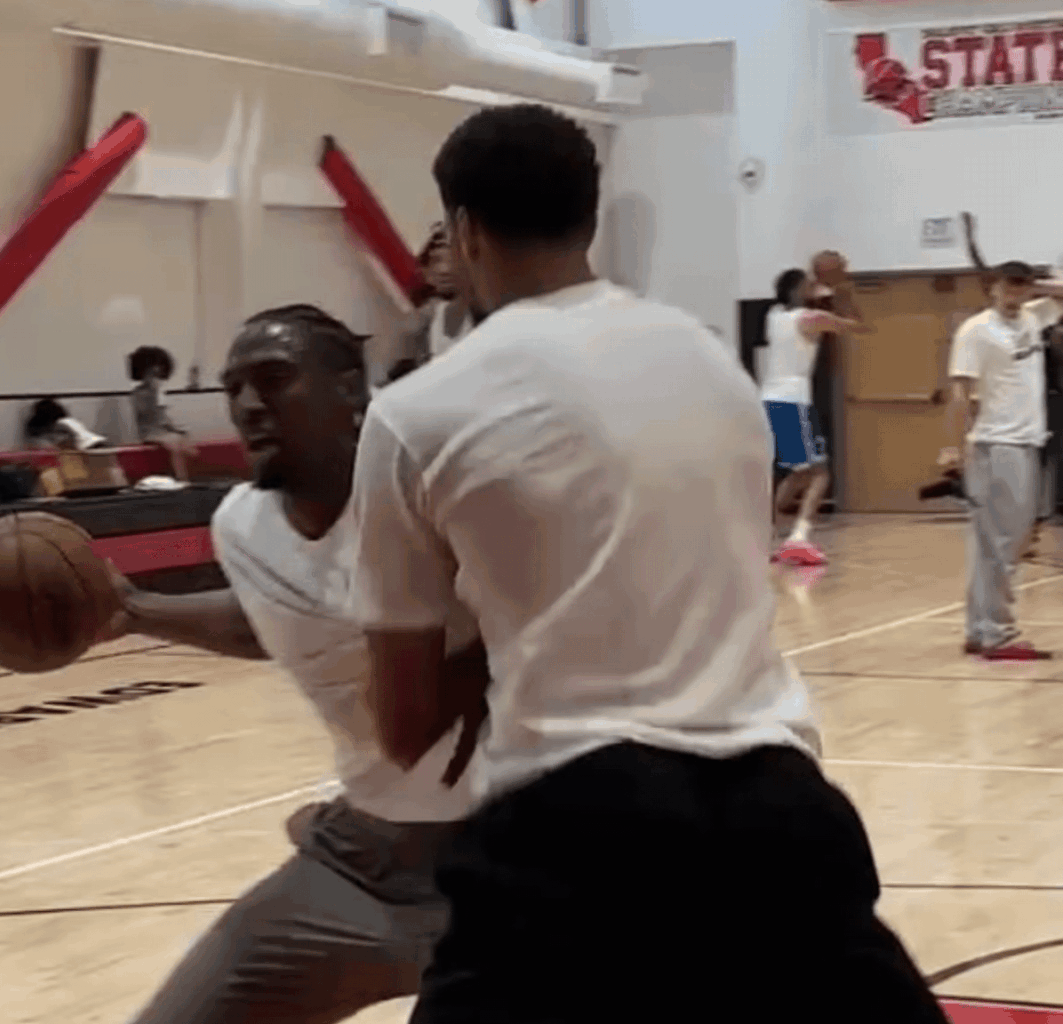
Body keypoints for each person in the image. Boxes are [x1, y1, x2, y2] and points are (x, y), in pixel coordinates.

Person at [349, 104, 947, 1024]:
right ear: (590, 221)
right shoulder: (713, 369)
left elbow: (404, 726)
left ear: (463, 231)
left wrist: (513, 634)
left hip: (573, 831)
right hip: (780, 806)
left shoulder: (414, 414)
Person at [108, 303, 480, 1024]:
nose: (249, 404)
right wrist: (131, 611)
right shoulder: (241, 526)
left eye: (274, 379)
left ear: (350, 390)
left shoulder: (445, 498)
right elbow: (272, 620)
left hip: (507, 866)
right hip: (359, 865)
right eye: (234, 388)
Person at [948, 260, 1063, 660]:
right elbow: (960, 392)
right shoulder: (975, 330)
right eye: (1008, 287)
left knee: (990, 545)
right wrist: (954, 446)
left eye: (1021, 287)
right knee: (1007, 543)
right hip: (997, 444)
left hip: (1025, 441)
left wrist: (1038, 285)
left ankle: (980, 630)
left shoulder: (1034, 317)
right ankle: (998, 632)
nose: (1015, 295)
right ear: (992, 287)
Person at [762, 266, 867, 566]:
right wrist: (842, 292)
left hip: (769, 398)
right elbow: (858, 326)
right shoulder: (810, 319)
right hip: (794, 401)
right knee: (821, 473)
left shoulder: (773, 316)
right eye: (808, 285)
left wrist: (822, 290)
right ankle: (798, 539)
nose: (813, 287)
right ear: (797, 290)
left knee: (798, 472)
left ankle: (768, 530)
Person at [390, 223, 472, 383]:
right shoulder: (422, 319)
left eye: (452, 260)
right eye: (436, 260)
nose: (443, 270)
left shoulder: (490, 311)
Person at [129, 344, 195, 482]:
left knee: (186, 442)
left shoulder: (159, 392)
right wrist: (152, 395)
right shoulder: (138, 393)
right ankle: (182, 480)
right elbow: (144, 416)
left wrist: (174, 428)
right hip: (149, 432)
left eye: (156, 376)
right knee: (174, 445)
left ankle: (188, 476)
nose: (155, 380)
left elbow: (163, 415)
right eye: (151, 375)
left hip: (161, 430)